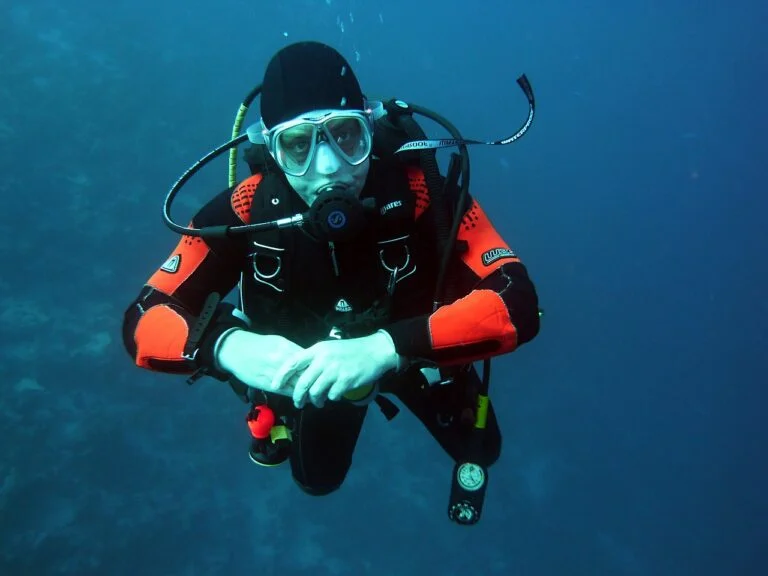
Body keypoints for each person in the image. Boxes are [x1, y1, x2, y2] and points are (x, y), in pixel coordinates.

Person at [122, 41, 540, 511]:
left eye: (345, 135)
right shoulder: (247, 210)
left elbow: (518, 299)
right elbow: (143, 317)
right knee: (316, 480)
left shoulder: (424, 196)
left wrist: (386, 348)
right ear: (272, 151)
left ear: (369, 127)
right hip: (312, 373)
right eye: (298, 144)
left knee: (482, 448)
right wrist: (227, 346)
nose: (328, 168)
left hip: (418, 352)